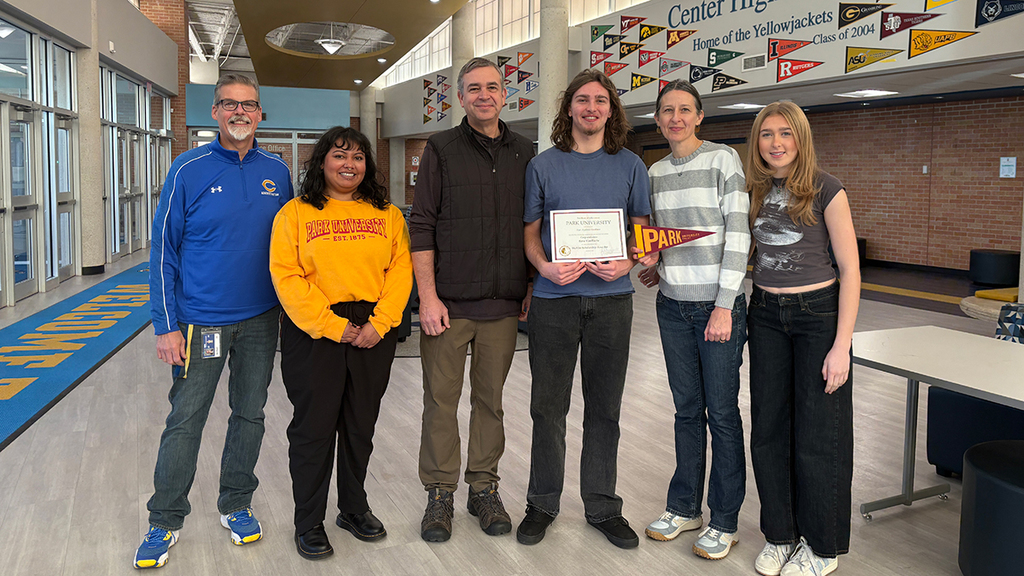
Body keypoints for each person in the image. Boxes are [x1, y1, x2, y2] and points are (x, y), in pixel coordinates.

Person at [136, 74, 291, 569]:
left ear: (260, 114)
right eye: (230, 104)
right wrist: (165, 324)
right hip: (200, 323)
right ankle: (164, 519)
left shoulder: (278, 171)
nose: (240, 112)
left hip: (262, 321)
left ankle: (236, 504)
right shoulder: (188, 168)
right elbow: (163, 251)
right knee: (185, 421)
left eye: (249, 105)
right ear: (215, 112)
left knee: (250, 415)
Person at [516, 69, 656, 549]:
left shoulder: (631, 166)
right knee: (547, 408)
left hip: (612, 304)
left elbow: (643, 233)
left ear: (611, 110)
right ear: (569, 109)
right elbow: (531, 236)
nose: (591, 107)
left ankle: (601, 506)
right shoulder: (543, 165)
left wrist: (630, 260)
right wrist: (545, 269)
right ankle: (542, 503)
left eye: (601, 100)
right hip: (554, 303)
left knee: (605, 409)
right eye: (582, 100)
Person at [269, 127, 412, 560]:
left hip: (372, 329)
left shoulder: (387, 214)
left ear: (368, 165)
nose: (349, 165)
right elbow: (287, 277)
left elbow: (400, 272)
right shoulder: (295, 214)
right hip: (315, 329)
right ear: (322, 163)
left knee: (359, 426)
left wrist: (382, 323)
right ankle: (308, 521)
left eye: (358, 157)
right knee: (313, 429)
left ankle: (353, 508)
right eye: (339, 156)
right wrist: (332, 326)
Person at [408, 57, 534, 542]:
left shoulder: (526, 152)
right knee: (440, 402)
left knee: (491, 402)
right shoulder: (440, 148)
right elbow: (421, 226)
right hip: (449, 305)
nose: (484, 95)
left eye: (493, 87)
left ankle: (483, 487)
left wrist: (526, 287)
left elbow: (532, 227)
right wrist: (428, 297)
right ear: (459, 98)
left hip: (502, 305)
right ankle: (439, 493)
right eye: (473, 88)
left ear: (506, 95)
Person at [745, 101, 860, 576]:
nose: (776, 143)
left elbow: (851, 271)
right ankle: (780, 535)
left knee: (819, 434)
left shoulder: (827, 190)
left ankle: (823, 545)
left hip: (818, 316)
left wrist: (842, 345)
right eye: (767, 134)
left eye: (785, 133)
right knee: (769, 430)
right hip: (766, 314)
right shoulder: (752, 189)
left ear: (801, 139)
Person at [638, 80, 751, 560]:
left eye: (685, 109)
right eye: (667, 110)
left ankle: (725, 519)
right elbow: (661, 233)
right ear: (659, 119)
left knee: (721, 414)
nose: (676, 117)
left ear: (700, 116)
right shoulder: (654, 171)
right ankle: (686, 507)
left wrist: (724, 304)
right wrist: (654, 262)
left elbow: (738, 236)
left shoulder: (724, 160)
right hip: (672, 305)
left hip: (717, 308)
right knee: (687, 411)